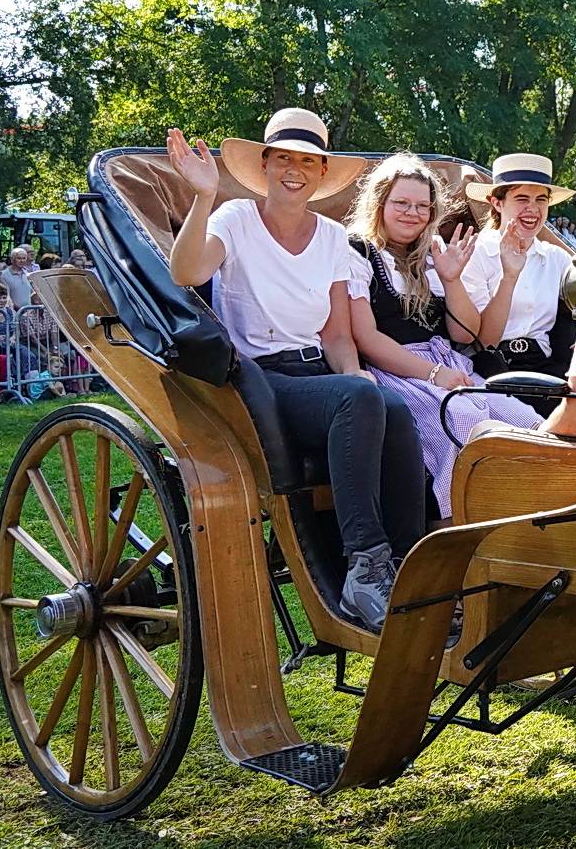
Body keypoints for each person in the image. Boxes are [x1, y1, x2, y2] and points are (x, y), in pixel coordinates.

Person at [164, 108, 423, 631]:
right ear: (265, 163)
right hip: (258, 380)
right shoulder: (234, 220)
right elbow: (186, 271)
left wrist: (356, 375)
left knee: (393, 405)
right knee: (361, 398)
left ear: (321, 171)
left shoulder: (331, 237)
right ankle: (364, 568)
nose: (294, 170)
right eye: (284, 158)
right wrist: (202, 196)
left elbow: (334, 334)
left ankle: (412, 563)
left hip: (315, 375)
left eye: (307, 160)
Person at [345, 154, 549, 522]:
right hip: (399, 371)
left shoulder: (432, 255)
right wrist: (434, 374)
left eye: (423, 206)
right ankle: (451, 533)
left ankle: (521, 519)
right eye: (402, 203)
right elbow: (366, 338)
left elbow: (466, 334)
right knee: (464, 420)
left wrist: (452, 279)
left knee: (528, 422)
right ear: (379, 204)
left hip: (450, 364)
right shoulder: (358, 252)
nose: (413, 213)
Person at [458, 154, 576, 402]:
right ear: (497, 203)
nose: (532, 209)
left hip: (545, 366)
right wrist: (509, 277)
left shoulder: (555, 257)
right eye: (521, 199)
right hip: (489, 367)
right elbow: (483, 342)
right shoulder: (474, 253)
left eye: (540, 200)